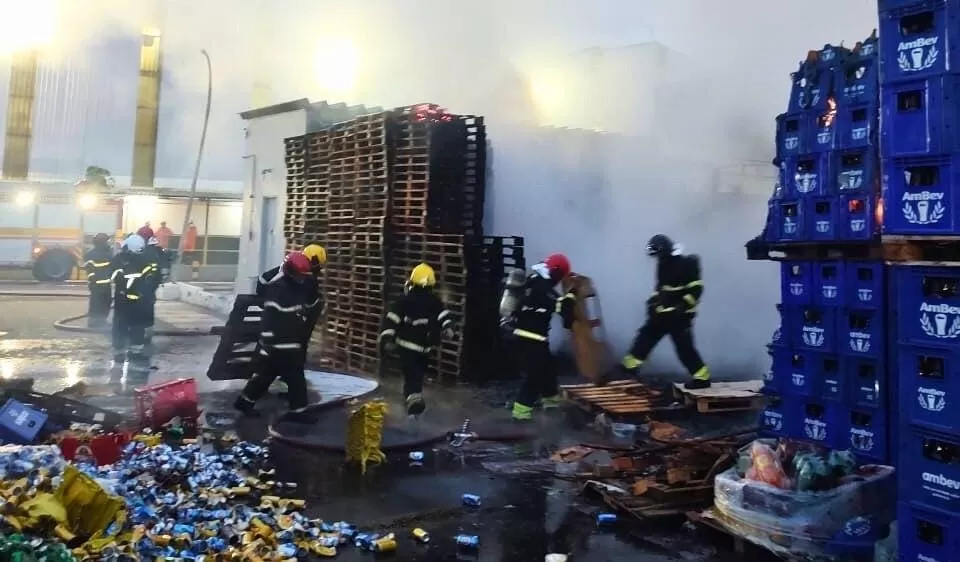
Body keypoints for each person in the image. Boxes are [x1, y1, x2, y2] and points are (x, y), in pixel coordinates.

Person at [234, 252, 321, 420]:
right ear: (290, 271)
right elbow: (277, 317)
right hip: (281, 341)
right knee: (296, 376)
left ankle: (244, 401)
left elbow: (308, 303)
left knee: (266, 375)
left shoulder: (296, 286)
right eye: (299, 275)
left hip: (280, 341)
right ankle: (299, 412)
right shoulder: (280, 290)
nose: (301, 279)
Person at [620, 234, 710, 390]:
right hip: (663, 313)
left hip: (681, 316)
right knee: (645, 337)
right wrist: (653, 302)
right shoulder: (662, 264)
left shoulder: (687, 264)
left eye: (659, 255)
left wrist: (682, 305)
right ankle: (629, 369)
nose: (657, 259)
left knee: (684, 348)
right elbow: (660, 288)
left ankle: (702, 378)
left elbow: (696, 288)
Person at [501, 253, 577, 422]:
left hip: (530, 338)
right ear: (556, 271)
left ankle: (551, 404)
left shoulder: (534, 279)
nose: (559, 281)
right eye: (560, 276)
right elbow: (562, 307)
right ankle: (521, 416)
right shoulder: (542, 287)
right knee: (534, 376)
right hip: (529, 339)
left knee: (548, 369)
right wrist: (572, 293)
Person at [378, 263, 453, 416]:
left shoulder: (403, 301)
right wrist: (448, 328)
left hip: (408, 347)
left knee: (413, 374)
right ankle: (414, 400)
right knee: (415, 375)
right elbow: (444, 316)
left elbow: (391, 320)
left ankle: (412, 401)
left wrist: (387, 339)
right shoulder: (434, 301)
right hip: (422, 348)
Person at [110, 234, 152, 362]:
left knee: (120, 325)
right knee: (137, 326)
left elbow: (112, 278)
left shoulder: (118, 260)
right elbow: (149, 281)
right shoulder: (145, 262)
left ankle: (119, 352)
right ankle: (136, 351)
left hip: (121, 301)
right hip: (139, 302)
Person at [136, 226, 170, 345]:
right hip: (151, 286)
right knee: (148, 308)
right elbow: (164, 267)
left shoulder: (141, 251)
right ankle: (147, 330)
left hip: (142, 286)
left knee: (139, 308)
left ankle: (139, 331)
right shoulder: (158, 251)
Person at [83, 233, 113, 328]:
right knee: (105, 302)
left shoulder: (89, 254)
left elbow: (89, 270)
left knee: (95, 302)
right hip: (105, 284)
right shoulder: (108, 254)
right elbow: (112, 268)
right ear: (103, 242)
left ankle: (94, 321)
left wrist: (92, 281)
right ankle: (99, 320)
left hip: (95, 284)